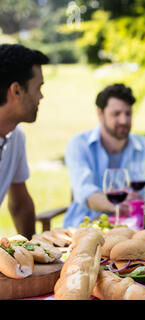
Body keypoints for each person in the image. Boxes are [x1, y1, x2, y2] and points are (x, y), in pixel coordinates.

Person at [64, 83, 145, 228]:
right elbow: (84, 191)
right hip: (83, 228)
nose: (124, 120)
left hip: (131, 230)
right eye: (116, 114)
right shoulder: (79, 144)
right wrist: (116, 205)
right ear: (100, 114)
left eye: (128, 113)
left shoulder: (144, 146)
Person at [0, 44, 49, 239]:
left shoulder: (15, 137)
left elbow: (20, 205)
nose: (41, 96)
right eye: (38, 88)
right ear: (17, 91)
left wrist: (33, 250)